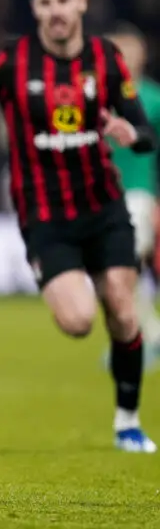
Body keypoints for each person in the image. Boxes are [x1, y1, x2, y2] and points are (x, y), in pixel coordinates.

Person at [0, 0, 156, 454]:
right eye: (45, 3)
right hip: (45, 217)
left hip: (105, 208)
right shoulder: (10, 62)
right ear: (35, 8)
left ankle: (128, 423)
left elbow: (144, 131)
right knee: (79, 322)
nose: (55, 11)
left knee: (123, 311)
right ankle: (72, 282)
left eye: (64, 1)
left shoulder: (106, 59)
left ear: (81, 3)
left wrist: (132, 134)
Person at [104, 27, 160, 365]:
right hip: (104, 195)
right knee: (117, 272)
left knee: (123, 266)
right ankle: (146, 334)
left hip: (139, 193)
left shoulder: (153, 98)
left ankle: (140, 339)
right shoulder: (98, 96)